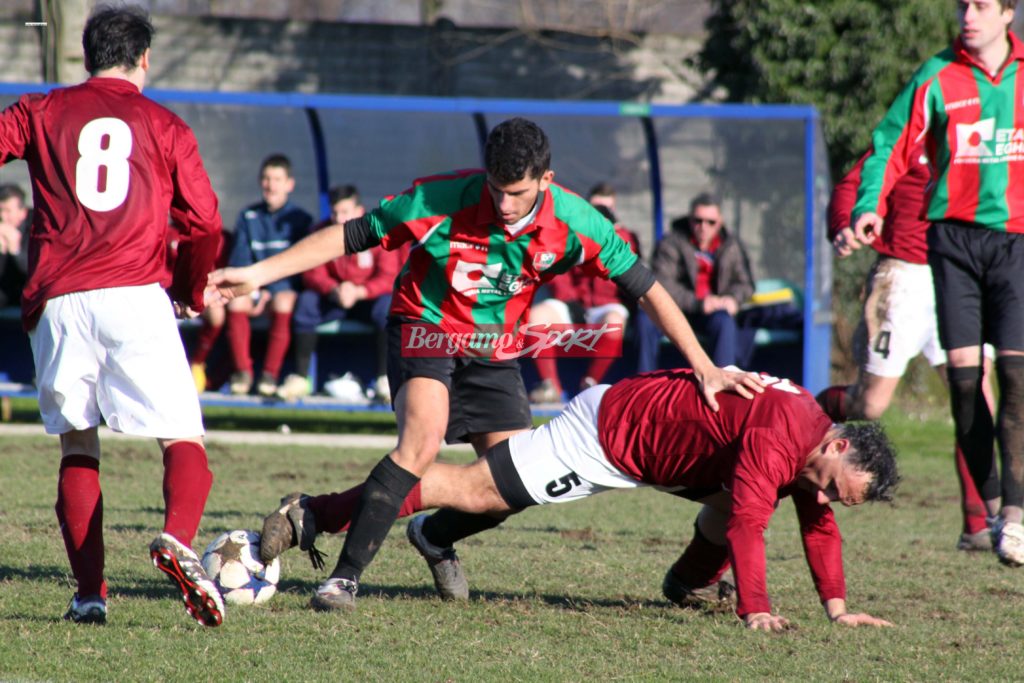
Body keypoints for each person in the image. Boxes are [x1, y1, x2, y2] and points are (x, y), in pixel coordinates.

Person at [208, 117, 766, 611]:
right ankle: (344, 580)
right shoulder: (440, 198)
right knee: (421, 443)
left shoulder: (578, 223)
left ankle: (410, 532)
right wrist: (258, 274)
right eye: (496, 189)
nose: (503, 204)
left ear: (546, 181)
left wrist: (705, 366)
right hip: (422, 326)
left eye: (517, 193)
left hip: (496, 350)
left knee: (513, 484)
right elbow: (351, 237)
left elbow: (646, 287)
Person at [260, 369, 898, 631]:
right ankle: (315, 512)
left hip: (655, 451)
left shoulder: (811, 443)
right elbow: (754, 527)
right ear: (839, 449)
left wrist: (838, 610)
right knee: (475, 490)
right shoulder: (783, 436)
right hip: (607, 437)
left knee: (501, 499)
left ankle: (688, 582)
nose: (826, 500)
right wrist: (755, 609)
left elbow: (816, 526)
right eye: (835, 489)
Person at [0, 5, 225, 626]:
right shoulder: (164, 124)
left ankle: (90, 595)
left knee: (77, 442)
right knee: (181, 435)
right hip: (135, 293)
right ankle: (178, 538)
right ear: (144, 59)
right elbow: (205, 222)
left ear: (86, 53)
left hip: (60, 300)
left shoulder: (39, 110)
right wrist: (191, 290)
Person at [852, 0, 1024, 566]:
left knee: (1017, 378)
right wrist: (868, 207)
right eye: (961, 5)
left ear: (1007, 15)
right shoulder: (937, 76)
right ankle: (993, 507)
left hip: (1016, 245)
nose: (967, 15)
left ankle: (1017, 516)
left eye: (980, 5)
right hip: (951, 245)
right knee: (964, 386)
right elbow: (889, 142)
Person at [820, 145, 994, 552]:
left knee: (976, 400)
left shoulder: (981, 135)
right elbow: (854, 184)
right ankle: (805, 418)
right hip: (903, 278)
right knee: (871, 405)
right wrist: (844, 225)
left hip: (959, 277)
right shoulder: (904, 138)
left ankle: (977, 526)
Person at [278, 185, 404, 401]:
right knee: (306, 303)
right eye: (335, 212)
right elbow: (310, 271)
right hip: (333, 298)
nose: (338, 219)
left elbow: (389, 276)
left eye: (345, 212)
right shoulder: (320, 232)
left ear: (359, 211)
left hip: (365, 299)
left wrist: (360, 291)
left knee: (388, 307)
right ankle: (300, 377)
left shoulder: (378, 232)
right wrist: (333, 289)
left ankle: (385, 378)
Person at [527, 204, 640, 403]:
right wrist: (571, 300)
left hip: (607, 306)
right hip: (573, 304)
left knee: (614, 322)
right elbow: (557, 273)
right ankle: (550, 387)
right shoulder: (570, 233)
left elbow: (628, 280)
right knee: (536, 316)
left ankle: (590, 384)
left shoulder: (623, 238)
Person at [224, 154, 312, 397]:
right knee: (236, 301)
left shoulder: (301, 220)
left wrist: (269, 292)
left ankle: (270, 376)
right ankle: (242, 373)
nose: (270, 185)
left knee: (284, 299)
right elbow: (239, 261)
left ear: (289, 184)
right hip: (254, 287)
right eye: (266, 178)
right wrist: (256, 291)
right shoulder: (248, 216)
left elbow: (300, 267)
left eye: (277, 179)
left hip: (282, 292)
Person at [636, 193, 755, 372]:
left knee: (724, 322)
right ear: (690, 219)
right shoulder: (672, 242)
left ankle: (725, 385)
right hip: (675, 309)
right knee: (645, 319)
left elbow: (745, 284)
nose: (703, 227)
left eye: (710, 222)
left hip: (710, 314)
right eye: (697, 221)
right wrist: (698, 303)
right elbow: (661, 284)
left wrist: (732, 299)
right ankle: (643, 388)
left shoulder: (731, 245)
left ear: (720, 221)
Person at [0, 183, 30, 308]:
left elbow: (33, 273)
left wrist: (15, 250)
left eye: (7, 211)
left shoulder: (36, 229)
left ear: (23, 212)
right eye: (0, 210)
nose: (2, 216)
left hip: (26, 300)